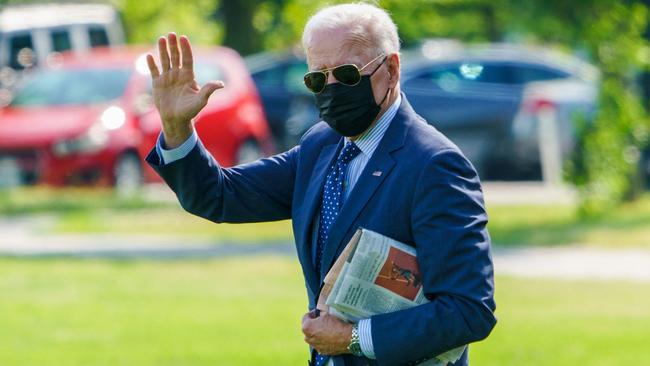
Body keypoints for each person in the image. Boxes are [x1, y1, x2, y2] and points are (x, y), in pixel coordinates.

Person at [144, 3, 496, 366]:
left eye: (346, 74)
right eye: (317, 78)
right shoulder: (320, 146)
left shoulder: (435, 165)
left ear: (391, 69)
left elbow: (468, 311)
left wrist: (353, 338)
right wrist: (177, 128)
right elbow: (218, 196)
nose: (330, 89)